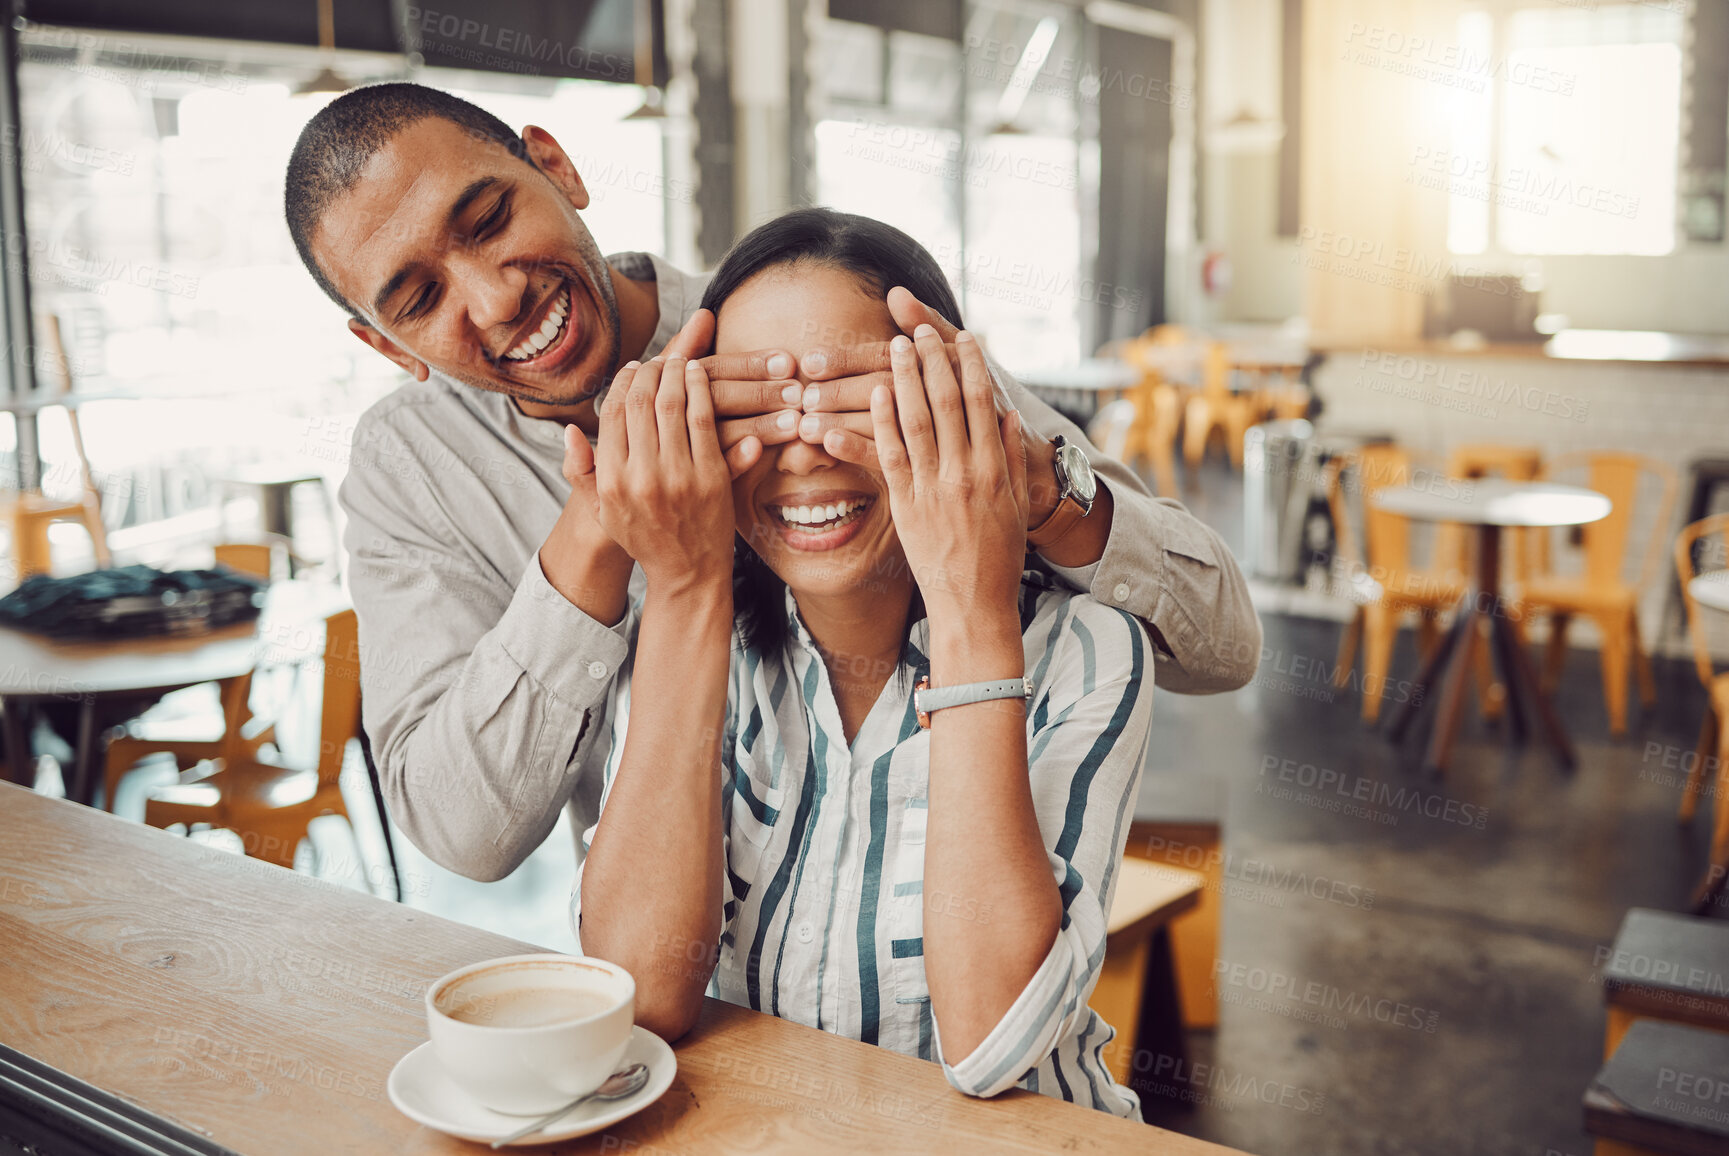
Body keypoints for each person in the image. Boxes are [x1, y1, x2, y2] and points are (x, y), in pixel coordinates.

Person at [282, 82, 1258, 883]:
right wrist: (596, 527)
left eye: (490, 219)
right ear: (383, 344)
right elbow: (466, 835)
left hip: (942, 920)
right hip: (672, 985)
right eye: (419, 298)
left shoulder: (808, 314)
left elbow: (1220, 647)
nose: (495, 296)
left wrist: (1042, 488)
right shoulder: (406, 469)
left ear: (557, 166)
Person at [572, 208, 1150, 1119]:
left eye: (853, 404)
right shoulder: (695, 641)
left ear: (952, 413)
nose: (803, 449)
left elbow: (990, 1044)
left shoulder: (1088, 653)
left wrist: (970, 601)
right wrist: (683, 590)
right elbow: (639, 996)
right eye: (756, 408)